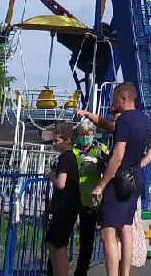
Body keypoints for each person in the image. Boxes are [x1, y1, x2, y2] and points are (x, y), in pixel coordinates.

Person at [90, 84, 151, 276]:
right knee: (126, 227)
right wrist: (140, 164)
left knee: (107, 231)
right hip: (135, 177)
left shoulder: (124, 121)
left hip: (119, 180)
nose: (112, 103)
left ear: (123, 98)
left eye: (114, 99)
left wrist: (101, 185)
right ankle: (125, 273)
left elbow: (118, 155)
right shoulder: (145, 120)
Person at [71, 118, 109, 276]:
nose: (85, 137)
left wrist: (98, 163)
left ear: (93, 133)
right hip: (72, 197)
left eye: (88, 134)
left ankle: (81, 272)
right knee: (63, 236)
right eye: (82, 134)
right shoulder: (72, 149)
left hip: (91, 201)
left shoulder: (101, 149)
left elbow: (109, 168)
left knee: (87, 240)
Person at [44, 122, 80, 276]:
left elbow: (61, 184)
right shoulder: (67, 157)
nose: (54, 143)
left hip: (65, 207)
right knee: (53, 242)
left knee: (59, 245)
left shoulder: (66, 158)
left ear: (67, 140)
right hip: (64, 206)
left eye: (57, 140)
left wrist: (51, 175)